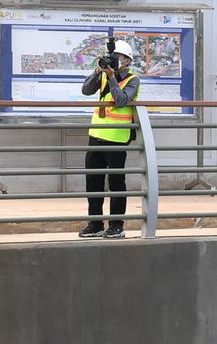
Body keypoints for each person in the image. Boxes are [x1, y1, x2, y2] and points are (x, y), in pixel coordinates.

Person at [78, 39, 140, 239]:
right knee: (93, 183)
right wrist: (98, 72)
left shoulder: (133, 80)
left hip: (117, 139)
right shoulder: (104, 75)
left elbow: (122, 101)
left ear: (127, 61)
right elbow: (86, 90)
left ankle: (116, 225)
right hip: (96, 135)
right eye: (113, 57)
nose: (114, 60)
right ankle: (95, 224)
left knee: (116, 183)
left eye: (119, 57)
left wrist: (112, 77)